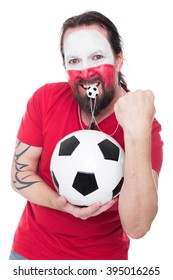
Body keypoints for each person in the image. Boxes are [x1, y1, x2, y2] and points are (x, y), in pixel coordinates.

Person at [9, 10, 163, 260]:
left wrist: (137, 133)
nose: (85, 72)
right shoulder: (45, 100)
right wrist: (59, 203)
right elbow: (20, 175)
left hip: (100, 263)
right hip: (30, 255)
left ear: (118, 59)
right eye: (74, 61)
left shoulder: (143, 122)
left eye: (97, 56)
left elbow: (137, 227)